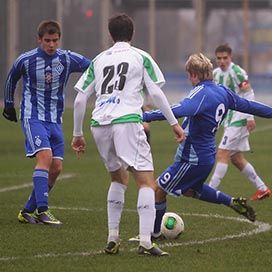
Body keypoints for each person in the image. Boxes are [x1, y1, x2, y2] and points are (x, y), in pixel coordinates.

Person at [71, 13, 184, 256]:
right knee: (146, 181)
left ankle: (112, 237)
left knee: (118, 179)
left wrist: (77, 133)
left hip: (99, 123)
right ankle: (145, 241)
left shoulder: (99, 60)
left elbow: (80, 99)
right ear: (132, 34)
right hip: (127, 122)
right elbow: (155, 93)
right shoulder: (140, 56)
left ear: (110, 35)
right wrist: (174, 123)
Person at [130, 53, 272, 244]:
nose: (189, 79)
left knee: (157, 189)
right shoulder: (223, 91)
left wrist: (144, 117)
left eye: (189, 75)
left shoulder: (200, 93)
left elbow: (176, 110)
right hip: (205, 155)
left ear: (195, 75)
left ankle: (153, 235)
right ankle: (231, 202)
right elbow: (249, 105)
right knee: (191, 190)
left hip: (193, 158)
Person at [2, 20, 91, 225]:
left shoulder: (67, 58)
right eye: (47, 41)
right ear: (39, 40)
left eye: (55, 40)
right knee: (45, 157)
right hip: (32, 116)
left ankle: (27, 211)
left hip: (55, 119)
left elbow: (93, 66)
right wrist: (8, 104)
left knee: (56, 167)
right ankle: (43, 210)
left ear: (59, 40)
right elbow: (11, 77)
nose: (51, 45)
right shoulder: (26, 60)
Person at [208, 44, 271, 200]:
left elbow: (249, 92)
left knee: (222, 153)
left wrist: (250, 117)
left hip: (240, 117)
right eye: (219, 58)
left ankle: (209, 190)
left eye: (225, 58)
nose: (222, 61)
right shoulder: (215, 74)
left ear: (231, 57)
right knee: (236, 159)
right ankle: (262, 188)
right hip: (229, 119)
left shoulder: (237, 72)